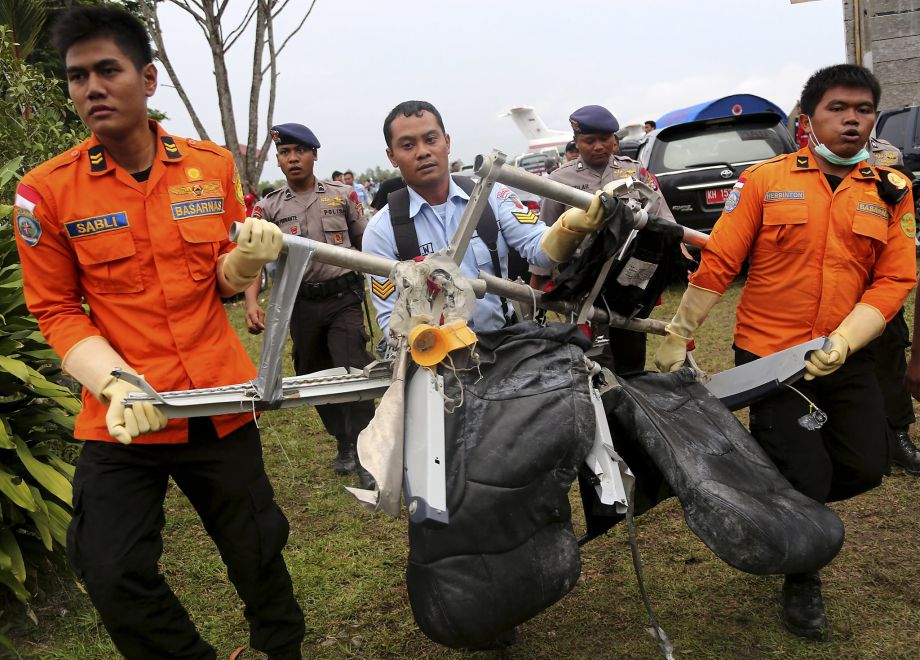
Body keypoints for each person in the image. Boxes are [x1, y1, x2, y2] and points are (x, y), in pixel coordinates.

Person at [12, 7, 305, 660]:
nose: (91, 87)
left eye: (107, 70)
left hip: (217, 402)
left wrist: (247, 262)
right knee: (111, 570)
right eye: (76, 75)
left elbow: (222, 283)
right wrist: (115, 384)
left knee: (259, 549)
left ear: (146, 79)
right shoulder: (46, 193)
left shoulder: (210, 166)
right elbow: (56, 308)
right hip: (123, 415)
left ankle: (281, 653)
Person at [654, 64, 916, 640]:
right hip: (772, 358)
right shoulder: (766, 180)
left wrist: (848, 337)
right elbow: (720, 259)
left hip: (845, 354)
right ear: (808, 119)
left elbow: (895, 280)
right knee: (805, 468)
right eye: (838, 108)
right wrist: (681, 330)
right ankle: (803, 577)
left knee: (868, 464)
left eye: (864, 110)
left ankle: (773, 494)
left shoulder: (890, 190)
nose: (852, 120)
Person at [362, 100, 608, 335]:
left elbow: (539, 249)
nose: (423, 152)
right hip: (432, 360)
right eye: (407, 145)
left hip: (501, 346)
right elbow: (389, 319)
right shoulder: (382, 231)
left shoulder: (493, 197)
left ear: (447, 142)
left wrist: (570, 226)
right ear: (391, 156)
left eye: (430, 139)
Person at [246, 124, 375, 488]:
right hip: (299, 303)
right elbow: (253, 258)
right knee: (313, 372)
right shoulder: (268, 207)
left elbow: (367, 243)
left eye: (299, 151)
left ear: (314, 155)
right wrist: (252, 301)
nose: (292, 159)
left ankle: (367, 449)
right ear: (278, 159)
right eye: (285, 153)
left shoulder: (344, 195)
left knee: (352, 368)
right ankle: (344, 442)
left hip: (343, 297)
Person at [534, 104, 675, 374]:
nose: (598, 146)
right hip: (582, 281)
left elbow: (663, 218)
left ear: (614, 140)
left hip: (628, 281)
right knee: (591, 359)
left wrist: (680, 253)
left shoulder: (636, 173)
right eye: (589, 141)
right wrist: (537, 282)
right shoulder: (558, 180)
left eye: (605, 139)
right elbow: (545, 236)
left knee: (631, 352)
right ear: (576, 142)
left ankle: (631, 401)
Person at [866, 141, 920, 474]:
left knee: (889, 358)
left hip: (883, 289)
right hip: (836, 290)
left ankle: (898, 435)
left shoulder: (887, 152)